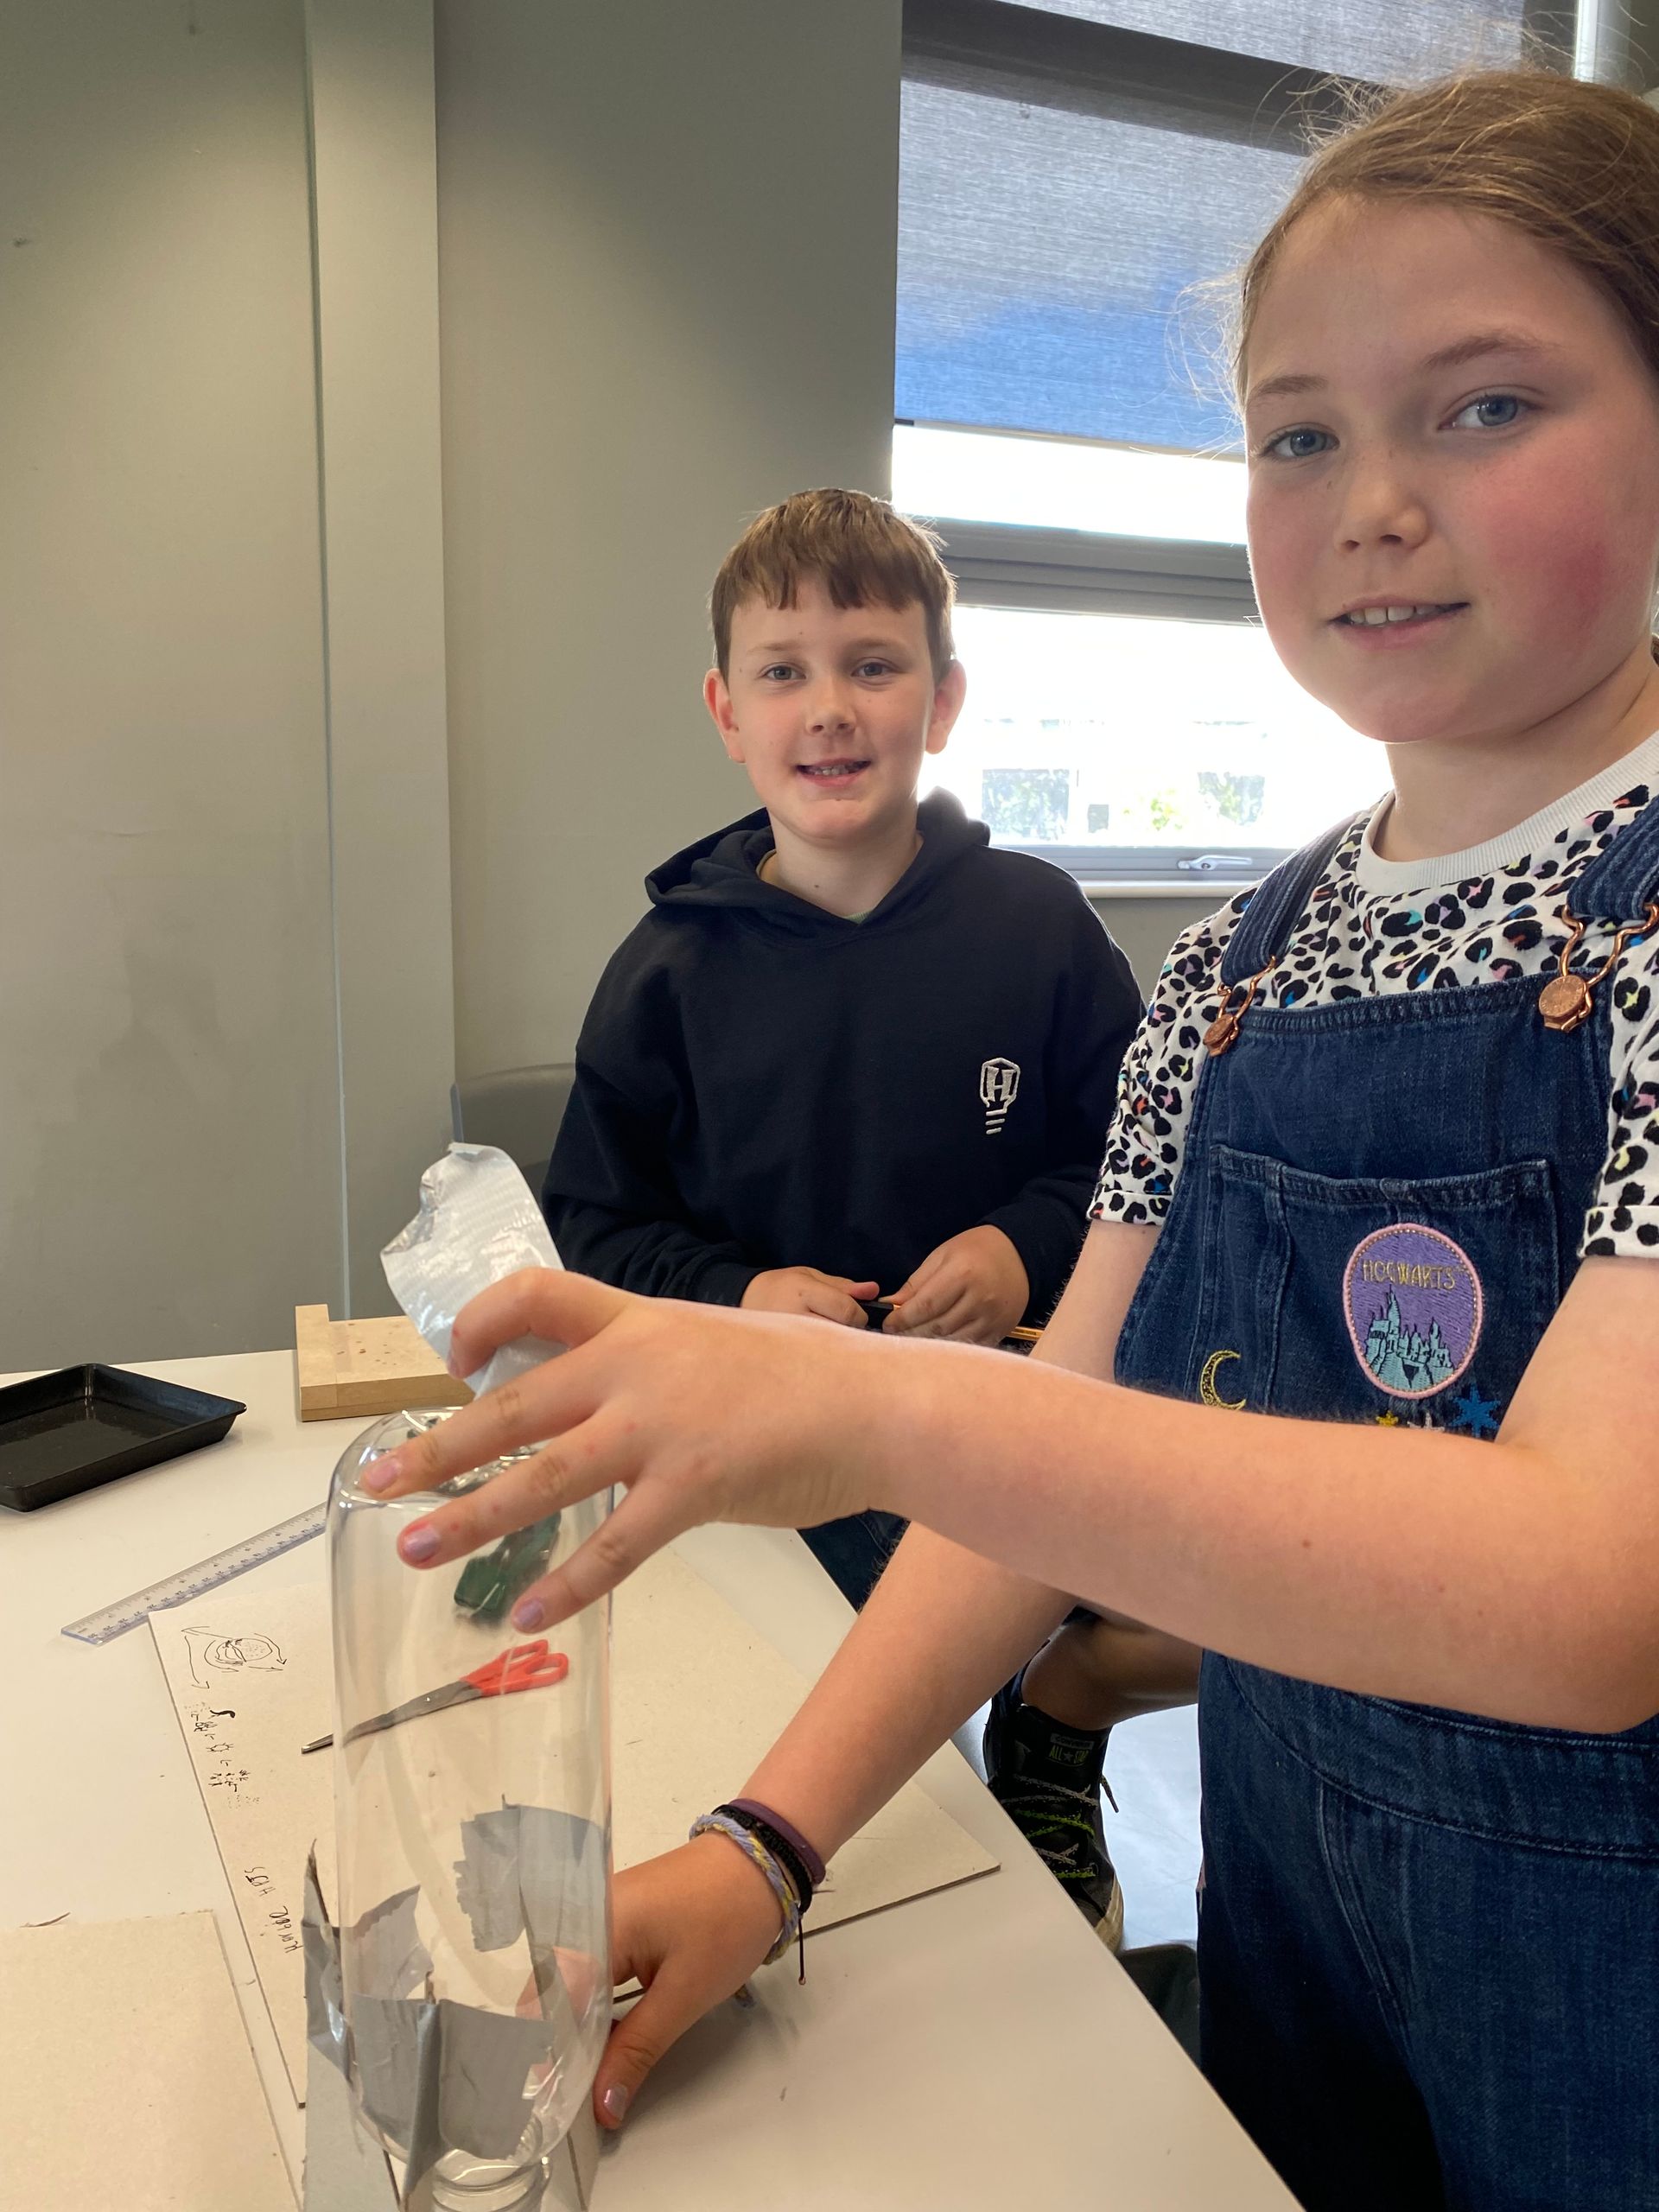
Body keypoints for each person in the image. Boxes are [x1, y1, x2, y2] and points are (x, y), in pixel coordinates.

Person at [366, 68, 1659, 2210]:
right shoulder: (1238, 968)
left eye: (1488, 405)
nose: (1373, 502)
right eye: (1300, 435)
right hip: (1302, 1928)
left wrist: (875, 1403)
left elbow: (1596, 1589)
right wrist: (763, 1843)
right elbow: (1053, 1450)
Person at [541, 488, 1160, 1940]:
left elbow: (1136, 1170)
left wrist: (1020, 1246)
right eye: (785, 671)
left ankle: (1051, 1754)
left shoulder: (1042, 928)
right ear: (728, 711)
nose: (829, 707)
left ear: (940, 701)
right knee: (791, 1746)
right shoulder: (664, 970)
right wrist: (743, 1295)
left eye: (873, 665)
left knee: (1043, 1741)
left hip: (999, 1428)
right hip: (762, 1455)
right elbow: (594, 1228)